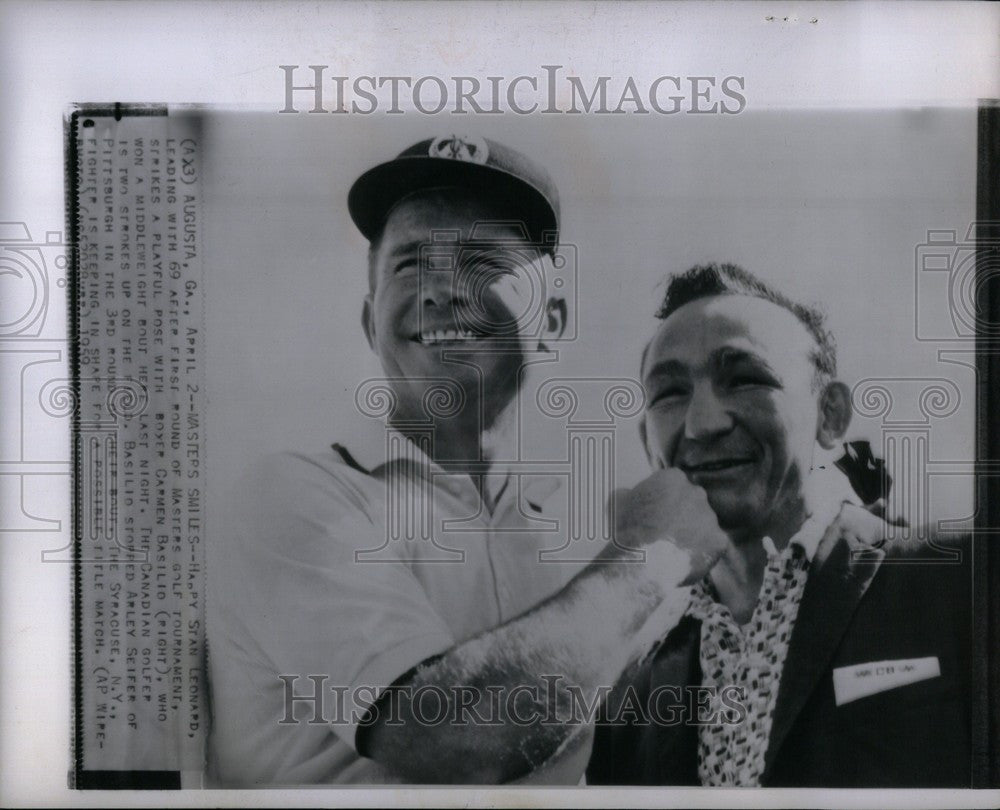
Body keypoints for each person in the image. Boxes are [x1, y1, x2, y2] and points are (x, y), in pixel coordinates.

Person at [207, 136, 729, 785]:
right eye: (409, 264)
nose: (441, 291)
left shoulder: (580, 542)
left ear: (553, 316)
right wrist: (653, 556)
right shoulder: (292, 498)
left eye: (482, 260)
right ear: (372, 323)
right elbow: (450, 738)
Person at [586, 263, 974, 787]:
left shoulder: (961, 583)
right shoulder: (629, 698)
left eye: (744, 379)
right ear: (646, 442)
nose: (702, 424)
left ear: (831, 415)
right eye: (670, 393)